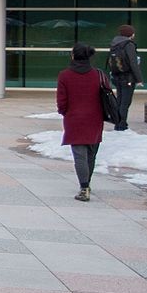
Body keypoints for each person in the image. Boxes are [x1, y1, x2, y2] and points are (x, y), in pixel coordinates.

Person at [57, 43, 106, 202]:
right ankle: (87, 183)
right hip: (95, 118)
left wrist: (65, 112)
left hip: (74, 118)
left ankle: (84, 187)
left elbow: (62, 101)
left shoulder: (64, 75)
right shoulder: (98, 74)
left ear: (73, 56)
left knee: (79, 155)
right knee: (91, 154)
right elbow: (107, 95)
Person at [108, 25, 143, 131]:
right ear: (130, 34)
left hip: (117, 75)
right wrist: (139, 79)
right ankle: (121, 124)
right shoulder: (129, 45)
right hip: (128, 77)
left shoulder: (114, 44)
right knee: (125, 102)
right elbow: (133, 63)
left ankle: (118, 122)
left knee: (120, 100)